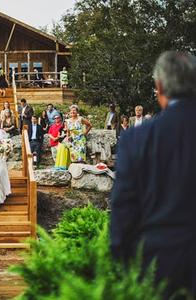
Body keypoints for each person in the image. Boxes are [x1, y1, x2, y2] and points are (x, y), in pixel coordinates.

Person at [110, 51, 196, 299]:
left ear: (159, 87)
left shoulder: (137, 138)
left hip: (158, 265)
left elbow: (124, 208)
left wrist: (122, 267)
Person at [55, 105, 92, 169]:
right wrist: (67, 137)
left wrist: (85, 133)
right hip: (72, 139)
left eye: (74, 110)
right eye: (71, 110)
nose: (72, 111)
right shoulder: (67, 121)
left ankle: (81, 170)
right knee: (73, 155)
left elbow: (89, 125)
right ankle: (70, 168)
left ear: (77, 111)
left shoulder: (81, 119)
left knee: (80, 156)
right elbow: (67, 131)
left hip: (80, 139)